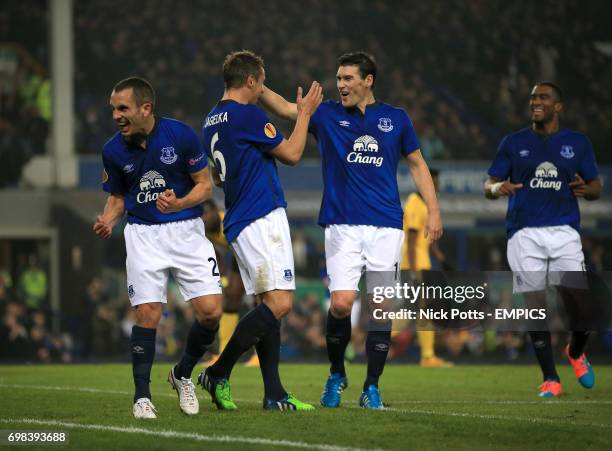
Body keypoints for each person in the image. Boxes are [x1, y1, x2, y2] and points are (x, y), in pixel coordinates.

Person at [260, 51, 442, 409]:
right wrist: (252, 83)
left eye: (347, 79)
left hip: (387, 225)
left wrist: (434, 211)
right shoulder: (326, 114)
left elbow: (418, 165)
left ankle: (371, 386)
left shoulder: (396, 119)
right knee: (342, 305)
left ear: (368, 80)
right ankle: (337, 371)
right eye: (338, 79)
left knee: (380, 306)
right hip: (342, 225)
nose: (340, 85)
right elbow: (283, 108)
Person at [198, 50, 323, 411]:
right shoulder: (247, 114)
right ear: (250, 81)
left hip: (238, 218)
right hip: (261, 215)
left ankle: (274, 393)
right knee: (281, 303)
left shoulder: (210, 120)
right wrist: (305, 114)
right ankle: (219, 370)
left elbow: (219, 178)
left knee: (267, 303)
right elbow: (293, 153)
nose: (263, 90)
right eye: (261, 82)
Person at [93, 77, 223, 419]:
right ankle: (141, 397)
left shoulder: (180, 135)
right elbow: (118, 197)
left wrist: (178, 203)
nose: (116, 116)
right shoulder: (112, 150)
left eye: (123, 108)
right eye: (113, 109)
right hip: (143, 234)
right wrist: (109, 219)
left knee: (211, 313)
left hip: (186, 232)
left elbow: (204, 186)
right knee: (148, 313)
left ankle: (182, 375)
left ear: (145, 108)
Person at [484, 81, 602, 397]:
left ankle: (575, 352)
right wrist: (498, 189)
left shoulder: (577, 143)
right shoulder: (513, 142)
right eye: (533, 97)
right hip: (523, 233)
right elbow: (489, 183)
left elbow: (596, 187)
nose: (536, 101)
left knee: (583, 310)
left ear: (558, 106)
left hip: (564, 232)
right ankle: (551, 378)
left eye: (543, 97)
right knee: (535, 307)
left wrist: (586, 191)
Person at [400, 168, 453, 367]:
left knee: (419, 311)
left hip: (421, 263)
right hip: (414, 264)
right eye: (433, 183)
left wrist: (439, 256)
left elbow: (425, 239)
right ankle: (428, 356)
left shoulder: (424, 204)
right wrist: (414, 271)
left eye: (436, 183)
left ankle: (428, 355)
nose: (436, 187)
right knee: (421, 310)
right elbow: (412, 239)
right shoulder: (415, 202)